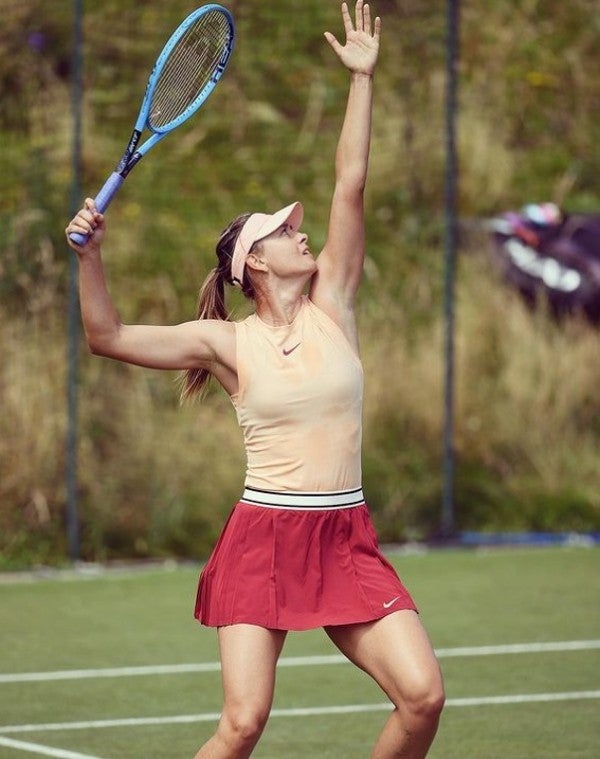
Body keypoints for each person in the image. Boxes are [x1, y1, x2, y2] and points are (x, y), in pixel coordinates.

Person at [66, 2, 445, 757]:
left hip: (344, 532)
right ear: (257, 265)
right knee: (242, 724)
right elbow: (105, 336)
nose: (301, 231)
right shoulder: (226, 342)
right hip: (263, 539)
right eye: (282, 230)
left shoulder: (333, 301)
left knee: (423, 697)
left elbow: (352, 180)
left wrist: (363, 80)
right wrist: (89, 258)